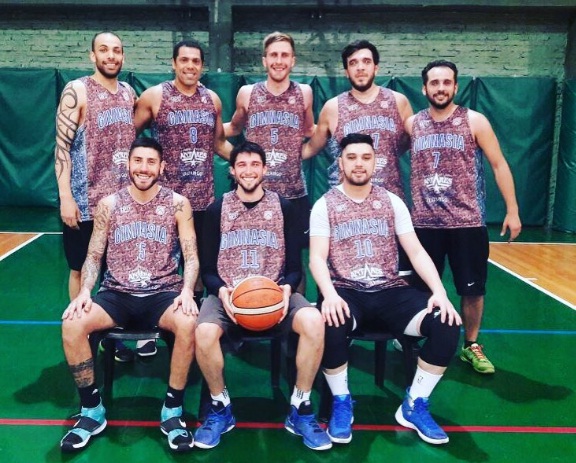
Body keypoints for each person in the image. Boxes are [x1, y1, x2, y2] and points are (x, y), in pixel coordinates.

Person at [309, 133, 461, 445]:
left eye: (366, 157)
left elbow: (416, 252)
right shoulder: (325, 205)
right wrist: (330, 294)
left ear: (375, 162)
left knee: (446, 323)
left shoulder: (392, 201)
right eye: (352, 157)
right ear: (340, 163)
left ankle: (414, 404)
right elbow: (316, 258)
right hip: (347, 290)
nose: (359, 164)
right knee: (331, 322)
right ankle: (341, 402)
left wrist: (439, 292)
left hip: (391, 291)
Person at [60, 137, 199, 453]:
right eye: (138, 160)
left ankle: (173, 411)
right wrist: (85, 291)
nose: (144, 168)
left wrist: (187, 291)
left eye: (151, 162)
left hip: (163, 293)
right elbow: (94, 255)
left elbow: (191, 256)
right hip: (117, 294)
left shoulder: (178, 204)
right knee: (71, 323)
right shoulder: (108, 204)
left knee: (189, 321)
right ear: (128, 163)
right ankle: (91, 411)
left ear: (162, 167)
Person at [193, 140, 331, 451]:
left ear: (265, 169)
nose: (248, 170)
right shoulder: (217, 209)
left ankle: (301, 407)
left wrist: (286, 289)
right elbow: (208, 269)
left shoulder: (284, 207)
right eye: (242, 165)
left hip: (275, 293)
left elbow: (294, 267)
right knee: (203, 332)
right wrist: (222, 292)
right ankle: (220, 407)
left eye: (255, 164)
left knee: (313, 321)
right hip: (229, 294)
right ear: (232, 170)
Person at [405, 60, 522, 374]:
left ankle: (471, 345)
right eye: (434, 83)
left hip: (467, 222)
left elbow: (498, 164)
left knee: (472, 289)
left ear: (456, 86)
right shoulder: (413, 124)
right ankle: (414, 339)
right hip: (424, 224)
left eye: (447, 82)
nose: (440, 88)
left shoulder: (474, 121)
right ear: (424, 88)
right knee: (420, 288)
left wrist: (512, 209)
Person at [134, 39, 232, 356]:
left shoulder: (212, 100)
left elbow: (219, 144)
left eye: (196, 61)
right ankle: (146, 328)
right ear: (174, 63)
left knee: (198, 263)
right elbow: (128, 137)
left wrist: (249, 162)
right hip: (163, 200)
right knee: (157, 262)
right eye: (184, 60)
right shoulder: (155, 96)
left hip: (202, 198)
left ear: (202, 66)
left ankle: (196, 319)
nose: (190, 66)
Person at [54, 31, 137, 362]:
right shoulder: (77, 90)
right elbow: (61, 147)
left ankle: (114, 336)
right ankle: (83, 334)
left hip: (120, 203)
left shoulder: (128, 92)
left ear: (123, 56)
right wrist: (65, 197)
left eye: (116, 50)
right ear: (93, 55)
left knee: (117, 273)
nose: (111, 56)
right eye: (104, 50)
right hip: (85, 201)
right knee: (80, 269)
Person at [224, 32, 315, 294]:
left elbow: (309, 130)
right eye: (273, 55)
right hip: (253, 193)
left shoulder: (304, 93)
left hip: (293, 193)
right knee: (246, 252)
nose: (279, 60)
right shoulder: (247, 93)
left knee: (294, 259)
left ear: (293, 60)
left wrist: (302, 151)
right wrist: (207, 131)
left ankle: (296, 312)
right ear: (264, 60)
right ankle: (243, 308)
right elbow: (234, 127)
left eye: (284, 55)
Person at [302, 39, 412, 199]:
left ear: (376, 68)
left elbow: (407, 143)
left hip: (388, 199)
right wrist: (277, 153)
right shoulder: (333, 107)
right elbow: (311, 148)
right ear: (346, 72)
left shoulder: (398, 101)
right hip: (344, 201)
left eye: (366, 61)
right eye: (353, 63)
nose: (360, 67)